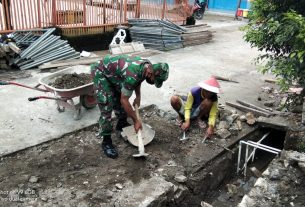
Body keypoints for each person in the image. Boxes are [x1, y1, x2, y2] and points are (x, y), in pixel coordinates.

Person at [91, 54, 169, 159]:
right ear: (151, 73)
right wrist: (136, 120)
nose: (154, 82)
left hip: (115, 73)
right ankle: (106, 141)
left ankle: (121, 123)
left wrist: (138, 96)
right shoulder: (133, 74)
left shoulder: (148, 66)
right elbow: (125, 100)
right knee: (107, 105)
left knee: (119, 96)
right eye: (155, 80)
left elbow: (138, 80)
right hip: (101, 72)